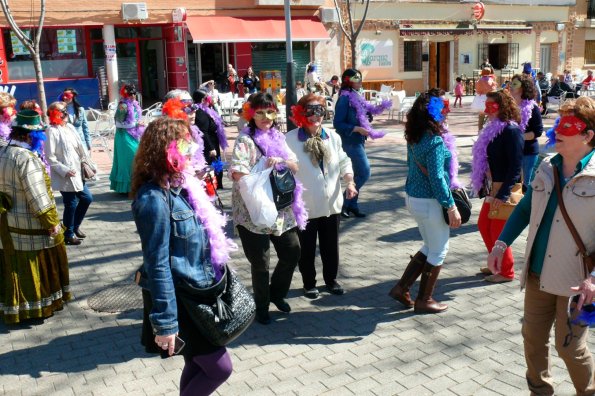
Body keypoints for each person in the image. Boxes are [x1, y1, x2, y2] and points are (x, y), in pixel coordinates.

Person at [486, 97, 595, 395]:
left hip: (575, 281)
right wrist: (500, 244)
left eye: (568, 125)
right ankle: (539, 391)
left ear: (587, 135)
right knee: (532, 339)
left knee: (569, 347)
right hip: (537, 273)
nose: (557, 129)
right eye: (558, 122)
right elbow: (525, 209)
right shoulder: (547, 167)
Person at [131, 117, 235, 396]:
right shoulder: (152, 198)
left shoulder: (182, 188)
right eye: (184, 143)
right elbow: (157, 264)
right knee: (220, 367)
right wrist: (166, 322)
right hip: (181, 301)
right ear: (165, 149)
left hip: (199, 292)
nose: (192, 148)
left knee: (197, 363)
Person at [229, 92, 307, 325]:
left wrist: (281, 162)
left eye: (270, 111)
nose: (265, 117)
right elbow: (236, 172)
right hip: (253, 213)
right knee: (261, 264)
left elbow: (295, 165)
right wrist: (261, 168)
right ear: (251, 114)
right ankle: (261, 306)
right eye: (260, 112)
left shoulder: (279, 137)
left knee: (292, 251)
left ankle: (276, 293)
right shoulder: (245, 140)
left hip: (281, 210)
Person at [388, 89, 462, 313]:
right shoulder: (435, 141)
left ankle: (402, 288)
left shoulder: (415, 134)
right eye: (444, 108)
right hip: (429, 201)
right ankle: (424, 300)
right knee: (439, 249)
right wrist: (451, 206)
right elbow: (438, 177)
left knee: (430, 245)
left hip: (413, 198)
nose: (446, 112)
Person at [0, 110, 71, 324]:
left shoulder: (2, 151)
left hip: (6, 225)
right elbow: (38, 196)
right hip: (27, 224)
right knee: (37, 259)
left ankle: (12, 305)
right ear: (30, 136)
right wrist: (51, 224)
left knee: (11, 263)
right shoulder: (26, 158)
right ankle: (35, 308)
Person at [285, 93, 356, 298]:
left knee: (330, 246)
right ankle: (309, 283)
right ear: (301, 113)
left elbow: (343, 161)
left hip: (331, 202)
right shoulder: (290, 140)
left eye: (320, 111)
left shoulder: (332, 137)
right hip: (305, 204)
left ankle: (331, 280)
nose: (316, 116)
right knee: (306, 248)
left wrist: (349, 181)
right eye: (311, 111)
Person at [470, 90, 524, 283]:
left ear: (503, 107)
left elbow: (516, 166)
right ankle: (496, 263)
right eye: (487, 105)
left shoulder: (512, 130)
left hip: (504, 187)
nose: (487, 110)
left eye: (492, 106)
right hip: (493, 186)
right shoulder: (492, 127)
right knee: (484, 225)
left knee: (498, 231)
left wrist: (503, 194)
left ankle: (506, 272)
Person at [333, 68, 391, 218]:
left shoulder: (356, 95)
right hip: (350, 142)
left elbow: (364, 114)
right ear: (348, 81)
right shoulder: (345, 98)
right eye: (356, 78)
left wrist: (372, 113)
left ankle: (352, 205)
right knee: (365, 172)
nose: (360, 81)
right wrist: (357, 128)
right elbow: (338, 123)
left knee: (358, 173)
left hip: (358, 141)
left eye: (360, 78)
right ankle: (345, 202)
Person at [45, 101, 94, 246]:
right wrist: (64, 170)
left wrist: (87, 163)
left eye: (66, 110)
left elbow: (80, 148)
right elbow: (50, 157)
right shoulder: (52, 131)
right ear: (55, 113)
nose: (66, 113)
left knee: (87, 198)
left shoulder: (70, 127)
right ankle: (68, 233)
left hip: (78, 173)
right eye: (62, 111)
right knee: (71, 204)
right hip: (65, 176)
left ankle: (74, 226)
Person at [509, 74, 543, 186]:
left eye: (515, 84)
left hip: (528, 152)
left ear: (523, 88)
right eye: (511, 83)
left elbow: (538, 131)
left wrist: (518, 137)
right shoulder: (509, 107)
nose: (511, 86)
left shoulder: (532, 107)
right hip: (512, 151)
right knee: (513, 185)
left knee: (526, 186)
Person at [110, 84, 144, 194]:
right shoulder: (123, 106)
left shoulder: (135, 105)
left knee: (136, 160)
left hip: (134, 136)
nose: (133, 96)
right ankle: (126, 189)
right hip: (124, 137)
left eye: (134, 93)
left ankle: (137, 186)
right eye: (130, 94)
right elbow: (118, 124)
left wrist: (139, 124)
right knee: (128, 161)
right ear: (125, 94)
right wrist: (136, 124)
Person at [193, 88, 228, 188]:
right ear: (202, 100)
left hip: (213, 142)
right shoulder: (199, 113)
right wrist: (211, 147)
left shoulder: (207, 110)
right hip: (209, 145)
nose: (209, 100)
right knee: (211, 166)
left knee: (216, 164)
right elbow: (203, 132)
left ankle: (218, 184)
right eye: (207, 98)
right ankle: (214, 186)